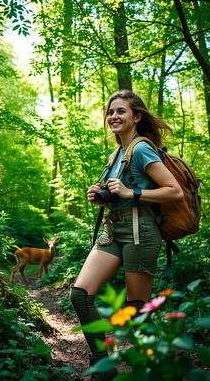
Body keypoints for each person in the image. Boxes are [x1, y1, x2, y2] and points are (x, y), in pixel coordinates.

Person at [70, 90, 184, 381]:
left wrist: (131, 192)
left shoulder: (142, 148)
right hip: (114, 229)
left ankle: (163, 368)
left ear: (137, 116)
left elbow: (174, 191)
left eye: (121, 111)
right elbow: (116, 194)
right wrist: (100, 195)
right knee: (80, 294)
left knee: (136, 312)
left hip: (140, 231)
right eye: (110, 112)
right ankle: (103, 368)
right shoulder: (117, 153)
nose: (113, 117)